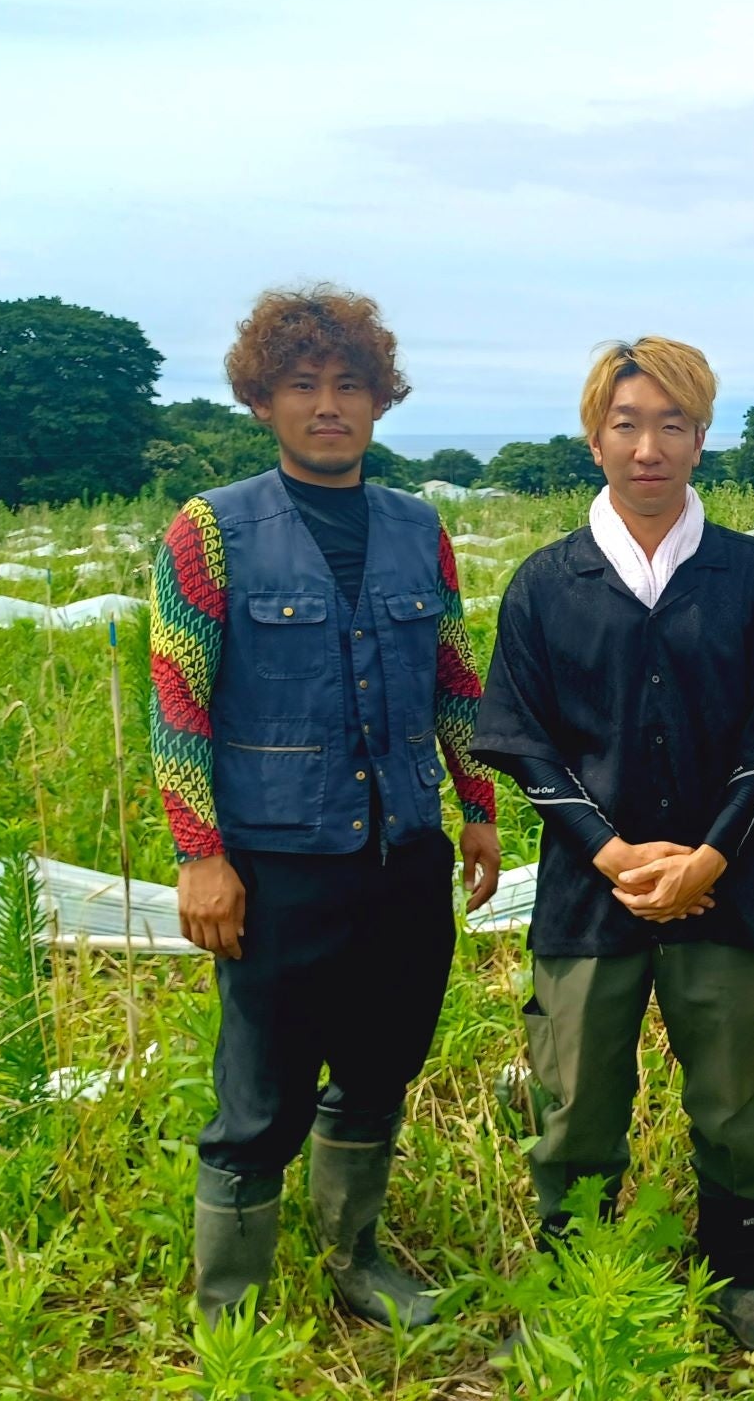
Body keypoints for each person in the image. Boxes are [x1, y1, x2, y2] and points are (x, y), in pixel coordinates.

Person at [469, 336, 754, 1355]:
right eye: (627, 424)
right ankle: (574, 1276)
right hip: (591, 898)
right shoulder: (547, 584)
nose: (648, 447)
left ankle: (744, 1276)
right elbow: (521, 738)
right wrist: (612, 851)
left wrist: (709, 859)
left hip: (729, 888)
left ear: (702, 438)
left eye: (672, 424)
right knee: (578, 1092)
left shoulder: (750, 577)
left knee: (727, 1088)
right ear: (595, 438)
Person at [150, 286, 501, 1330]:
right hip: (276, 865)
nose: (329, 406)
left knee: (381, 1067)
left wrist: (477, 805)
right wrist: (200, 854)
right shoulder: (209, 532)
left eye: (350, 385)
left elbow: (452, 675)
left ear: (381, 401)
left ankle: (357, 1261)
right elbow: (178, 701)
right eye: (303, 386)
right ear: (263, 401)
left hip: (402, 854)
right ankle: (233, 1309)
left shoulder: (415, 528)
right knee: (258, 1098)